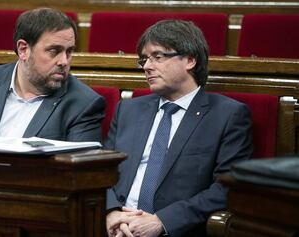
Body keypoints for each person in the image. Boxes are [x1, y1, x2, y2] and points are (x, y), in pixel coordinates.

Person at [105, 20, 253, 237]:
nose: (147, 66)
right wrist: (111, 213)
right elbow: (102, 170)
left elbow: (227, 188)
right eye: (144, 59)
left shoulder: (228, 115)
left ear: (190, 60)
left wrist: (161, 222)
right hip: (116, 227)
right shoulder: (128, 109)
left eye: (158, 57)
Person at [0, 8, 104, 142]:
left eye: (69, 52)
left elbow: (77, 175)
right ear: (23, 50)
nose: (64, 61)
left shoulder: (83, 104)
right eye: (54, 51)